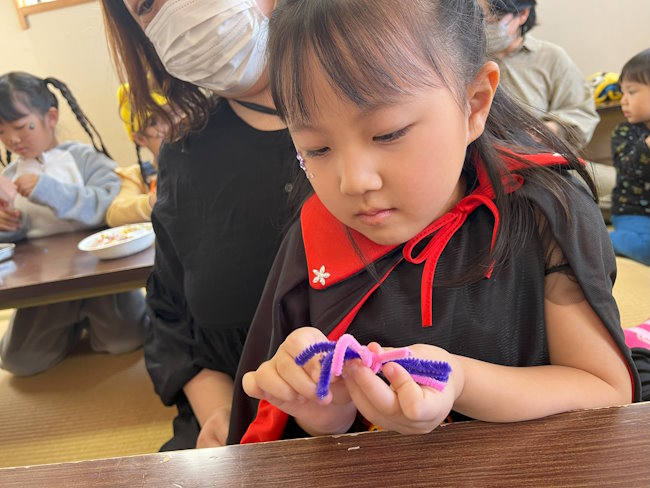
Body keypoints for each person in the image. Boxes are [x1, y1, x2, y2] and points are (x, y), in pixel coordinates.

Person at [228, 0, 643, 445]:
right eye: (316, 148)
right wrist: (324, 411)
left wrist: (460, 381)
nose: (353, 182)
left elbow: (605, 389)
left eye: (387, 133)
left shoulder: (543, 212)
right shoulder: (317, 236)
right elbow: (313, 432)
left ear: (475, 104)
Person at [100, 0, 302, 450]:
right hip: (239, 425)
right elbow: (169, 310)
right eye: (147, 5)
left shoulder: (399, 108)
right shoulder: (184, 155)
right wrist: (219, 414)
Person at [0, 71, 147, 376]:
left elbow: (108, 203)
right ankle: (70, 321)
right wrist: (10, 224)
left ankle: (95, 316)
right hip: (44, 282)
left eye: (20, 126)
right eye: (1, 132)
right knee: (20, 361)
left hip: (100, 272)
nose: (12, 139)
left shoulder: (83, 157)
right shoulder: (11, 174)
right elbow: (18, 237)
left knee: (124, 340)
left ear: (50, 117)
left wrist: (46, 188)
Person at [484, 0, 599, 148]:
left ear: (523, 14)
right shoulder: (465, 58)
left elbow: (583, 114)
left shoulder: (551, 57)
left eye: (495, 20)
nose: (486, 26)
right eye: (482, 18)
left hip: (535, 158)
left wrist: (548, 130)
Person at [105, 83, 168, 227]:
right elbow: (114, 213)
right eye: (153, 122)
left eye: (170, 114)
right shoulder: (139, 175)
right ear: (140, 138)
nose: (168, 125)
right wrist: (157, 201)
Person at [609, 48, 650, 266]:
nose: (624, 101)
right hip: (634, 214)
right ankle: (605, 240)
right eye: (623, 92)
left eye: (631, 92)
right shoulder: (624, 132)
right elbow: (626, 168)